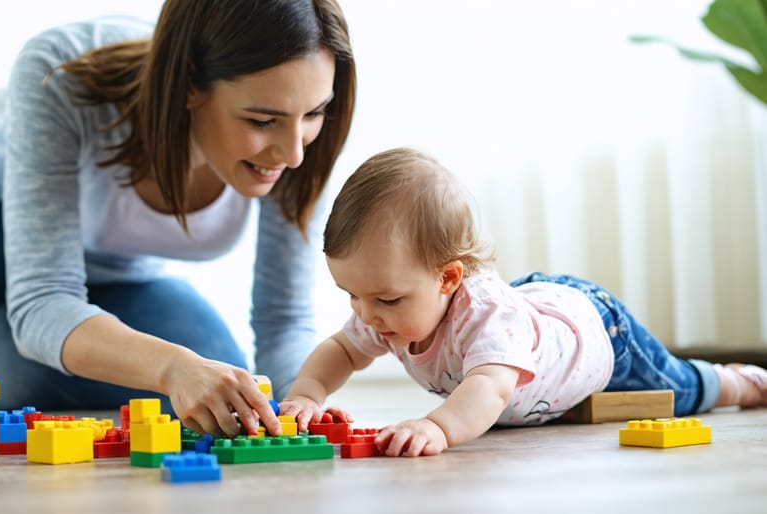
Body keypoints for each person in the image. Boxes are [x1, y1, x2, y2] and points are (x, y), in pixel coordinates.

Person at [0, 0, 356, 438]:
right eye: (261, 121)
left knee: (215, 371)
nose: (293, 153)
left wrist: (301, 401)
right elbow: (43, 296)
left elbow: (283, 319)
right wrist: (168, 367)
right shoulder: (62, 66)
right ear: (189, 83)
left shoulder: (299, 136)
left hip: (85, 285)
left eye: (315, 112)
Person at [279, 147, 767, 457]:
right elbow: (341, 349)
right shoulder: (382, 311)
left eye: (383, 298)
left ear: (448, 278)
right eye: (352, 295)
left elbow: (489, 390)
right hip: (535, 319)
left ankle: (741, 383)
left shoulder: (485, 316)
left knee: (678, 389)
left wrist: (437, 428)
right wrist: (306, 393)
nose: (365, 314)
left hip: (593, 335)